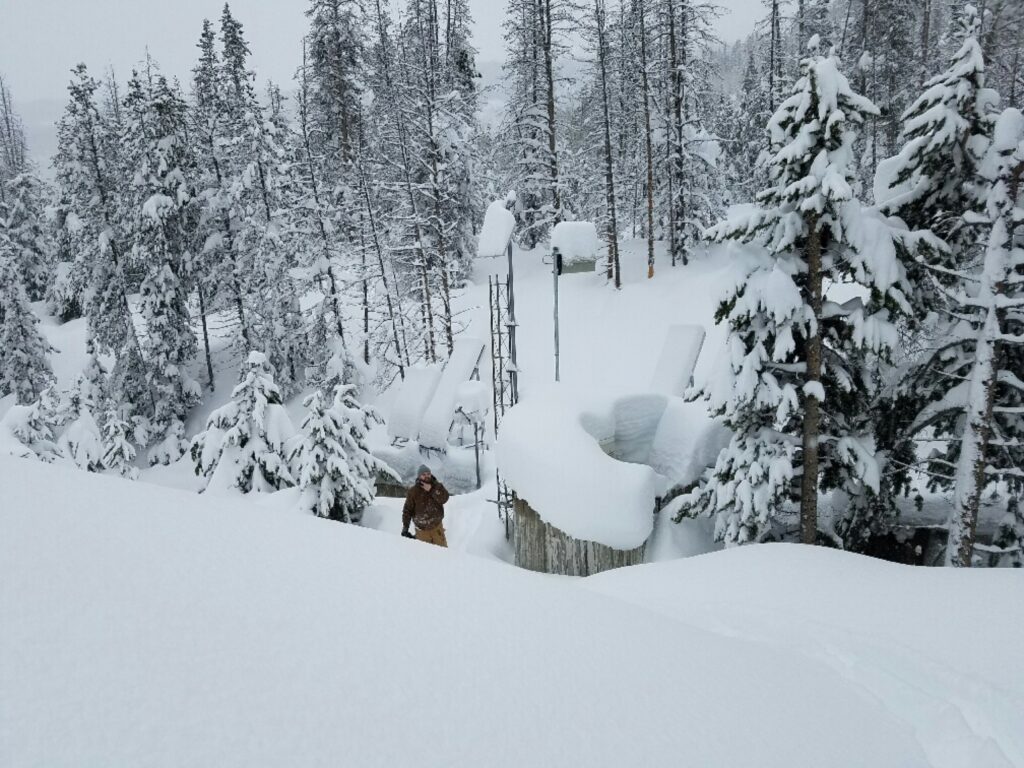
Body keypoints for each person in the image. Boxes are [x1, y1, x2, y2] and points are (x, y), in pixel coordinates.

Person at [401, 465, 450, 547]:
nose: (426, 476)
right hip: (421, 531)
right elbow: (407, 510)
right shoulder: (413, 491)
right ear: (419, 476)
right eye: (423, 474)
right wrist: (405, 527)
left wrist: (432, 489)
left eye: (428, 474)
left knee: (443, 554)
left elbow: (445, 498)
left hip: (437, 527)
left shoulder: (438, 486)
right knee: (424, 556)